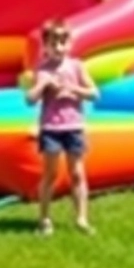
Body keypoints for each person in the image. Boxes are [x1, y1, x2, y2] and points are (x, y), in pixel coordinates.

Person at [26, 19, 98, 236]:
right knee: (50, 174)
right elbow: (29, 100)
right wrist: (44, 84)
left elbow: (95, 93)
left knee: (77, 173)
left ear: (70, 44)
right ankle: (44, 219)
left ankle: (82, 219)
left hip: (73, 126)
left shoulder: (77, 66)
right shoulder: (42, 69)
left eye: (63, 42)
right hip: (51, 129)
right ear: (45, 46)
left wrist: (73, 89)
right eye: (53, 43)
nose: (58, 47)